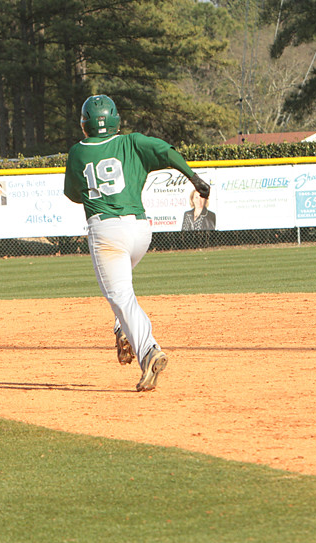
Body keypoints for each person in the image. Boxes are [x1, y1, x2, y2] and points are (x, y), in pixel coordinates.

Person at [63, 95, 210, 391]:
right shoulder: (132, 142)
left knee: (121, 296)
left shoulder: (78, 152)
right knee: (120, 291)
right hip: (140, 231)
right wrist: (194, 179)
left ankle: (149, 350)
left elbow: (73, 194)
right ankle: (122, 329)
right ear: (116, 120)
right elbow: (166, 151)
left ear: (84, 124)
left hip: (107, 233)